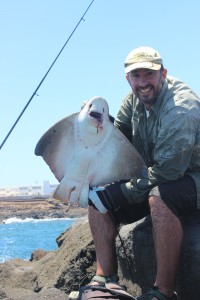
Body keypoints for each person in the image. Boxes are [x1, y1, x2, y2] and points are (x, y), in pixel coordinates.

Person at [87, 46, 200, 300]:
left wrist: (122, 193)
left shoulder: (180, 108)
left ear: (163, 73)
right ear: (128, 79)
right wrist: (100, 125)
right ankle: (105, 279)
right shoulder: (132, 101)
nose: (142, 82)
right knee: (96, 192)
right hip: (159, 176)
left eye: (148, 74)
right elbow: (121, 142)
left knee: (160, 196)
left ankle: (162, 292)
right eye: (136, 76)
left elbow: (168, 172)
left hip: (192, 177)